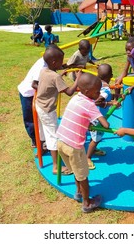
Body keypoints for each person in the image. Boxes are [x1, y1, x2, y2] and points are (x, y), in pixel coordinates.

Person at [56, 73, 109, 213]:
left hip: (60, 141)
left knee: (75, 170)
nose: (99, 94)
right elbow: (105, 125)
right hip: (74, 146)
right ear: (87, 92)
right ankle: (87, 203)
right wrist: (103, 118)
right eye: (97, 91)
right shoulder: (90, 105)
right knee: (83, 175)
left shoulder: (75, 98)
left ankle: (78, 192)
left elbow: (81, 115)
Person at [35, 45, 80, 175]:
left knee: (48, 133)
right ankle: (55, 167)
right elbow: (70, 92)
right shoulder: (55, 77)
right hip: (47, 110)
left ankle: (44, 150)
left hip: (40, 105)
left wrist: (61, 74)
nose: (62, 63)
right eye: (61, 61)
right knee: (53, 137)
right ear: (54, 62)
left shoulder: (44, 70)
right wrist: (77, 79)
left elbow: (52, 81)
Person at [86, 64, 119, 170]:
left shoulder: (97, 84)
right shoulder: (106, 90)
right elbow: (98, 101)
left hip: (91, 115)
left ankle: (93, 149)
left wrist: (116, 96)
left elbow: (103, 97)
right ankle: (88, 157)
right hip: (97, 118)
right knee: (96, 139)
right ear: (111, 76)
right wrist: (110, 103)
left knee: (94, 136)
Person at [17, 56, 47, 148]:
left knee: (38, 117)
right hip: (27, 94)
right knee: (30, 119)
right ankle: (35, 141)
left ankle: (39, 139)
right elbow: (34, 84)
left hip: (32, 93)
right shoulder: (41, 67)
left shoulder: (46, 60)